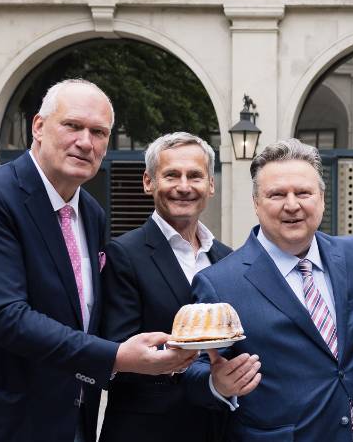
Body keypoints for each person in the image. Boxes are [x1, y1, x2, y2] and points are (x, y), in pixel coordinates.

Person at [0, 80, 197, 442]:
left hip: (71, 420)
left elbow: (81, 314)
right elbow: (6, 317)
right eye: (73, 126)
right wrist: (116, 356)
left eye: (99, 132)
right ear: (38, 127)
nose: (86, 142)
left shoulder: (91, 213)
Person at [184, 138, 353, 441]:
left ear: (321, 198)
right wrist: (216, 384)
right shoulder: (220, 283)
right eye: (277, 194)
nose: (292, 205)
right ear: (256, 203)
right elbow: (193, 372)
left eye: (303, 193)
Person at [98, 132, 259, 442]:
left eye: (195, 176)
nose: (184, 186)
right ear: (149, 182)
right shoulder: (123, 254)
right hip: (148, 432)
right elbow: (118, 354)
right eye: (171, 175)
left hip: (217, 428)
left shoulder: (227, 257)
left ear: (210, 185)